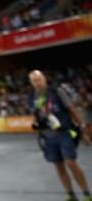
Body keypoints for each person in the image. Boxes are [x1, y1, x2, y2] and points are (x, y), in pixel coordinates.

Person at [28, 69, 92, 201]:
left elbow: (72, 110)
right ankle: (70, 194)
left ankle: (86, 194)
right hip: (47, 137)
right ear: (31, 82)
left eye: (39, 79)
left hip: (64, 133)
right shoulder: (32, 97)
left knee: (70, 163)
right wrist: (36, 123)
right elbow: (35, 114)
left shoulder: (56, 92)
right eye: (34, 81)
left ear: (44, 79)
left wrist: (82, 131)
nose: (37, 83)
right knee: (59, 166)